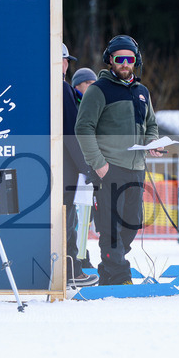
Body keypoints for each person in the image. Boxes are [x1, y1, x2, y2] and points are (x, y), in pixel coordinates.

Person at [74, 35, 162, 285]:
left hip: (136, 168)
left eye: (130, 59)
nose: (125, 64)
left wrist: (152, 144)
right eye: (119, 59)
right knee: (110, 226)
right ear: (110, 61)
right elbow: (83, 128)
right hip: (109, 169)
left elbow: (151, 124)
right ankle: (120, 274)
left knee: (132, 224)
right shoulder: (98, 90)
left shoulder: (142, 92)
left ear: (136, 61)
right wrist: (98, 163)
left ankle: (109, 268)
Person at [61, 45, 98, 288]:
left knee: (65, 220)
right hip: (64, 165)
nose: (66, 64)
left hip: (48, 163)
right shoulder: (62, 88)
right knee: (67, 220)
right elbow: (70, 132)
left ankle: (70, 268)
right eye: (65, 60)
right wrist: (86, 166)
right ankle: (70, 270)